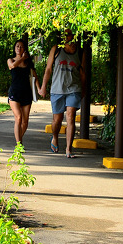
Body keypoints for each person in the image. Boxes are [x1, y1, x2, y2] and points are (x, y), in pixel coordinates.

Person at [39, 28, 86, 158]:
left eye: (71, 34)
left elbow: (82, 74)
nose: (69, 37)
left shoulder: (80, 52)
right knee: (57, 120)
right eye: (67, 35)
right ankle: (55, 137)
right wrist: (43, 87)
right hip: (57, 89)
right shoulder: (56, 49)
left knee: (70, 116)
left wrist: (83, 89)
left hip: (74, 89)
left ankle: (68, 149)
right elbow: (48, 69)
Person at [7, 39, 37, 148]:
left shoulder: (28, 63)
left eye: (21, 47)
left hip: (26, 94)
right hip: (14, 93)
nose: (19, 48)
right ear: (14, 49)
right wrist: (22, 58)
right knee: (18, 118)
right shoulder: (10, 60)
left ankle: (18, 140)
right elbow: (13, 66)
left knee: (25, 122)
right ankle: (19, 144)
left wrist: (39, 89)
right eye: (17, 46)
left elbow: (34, 76)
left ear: (24, 49)